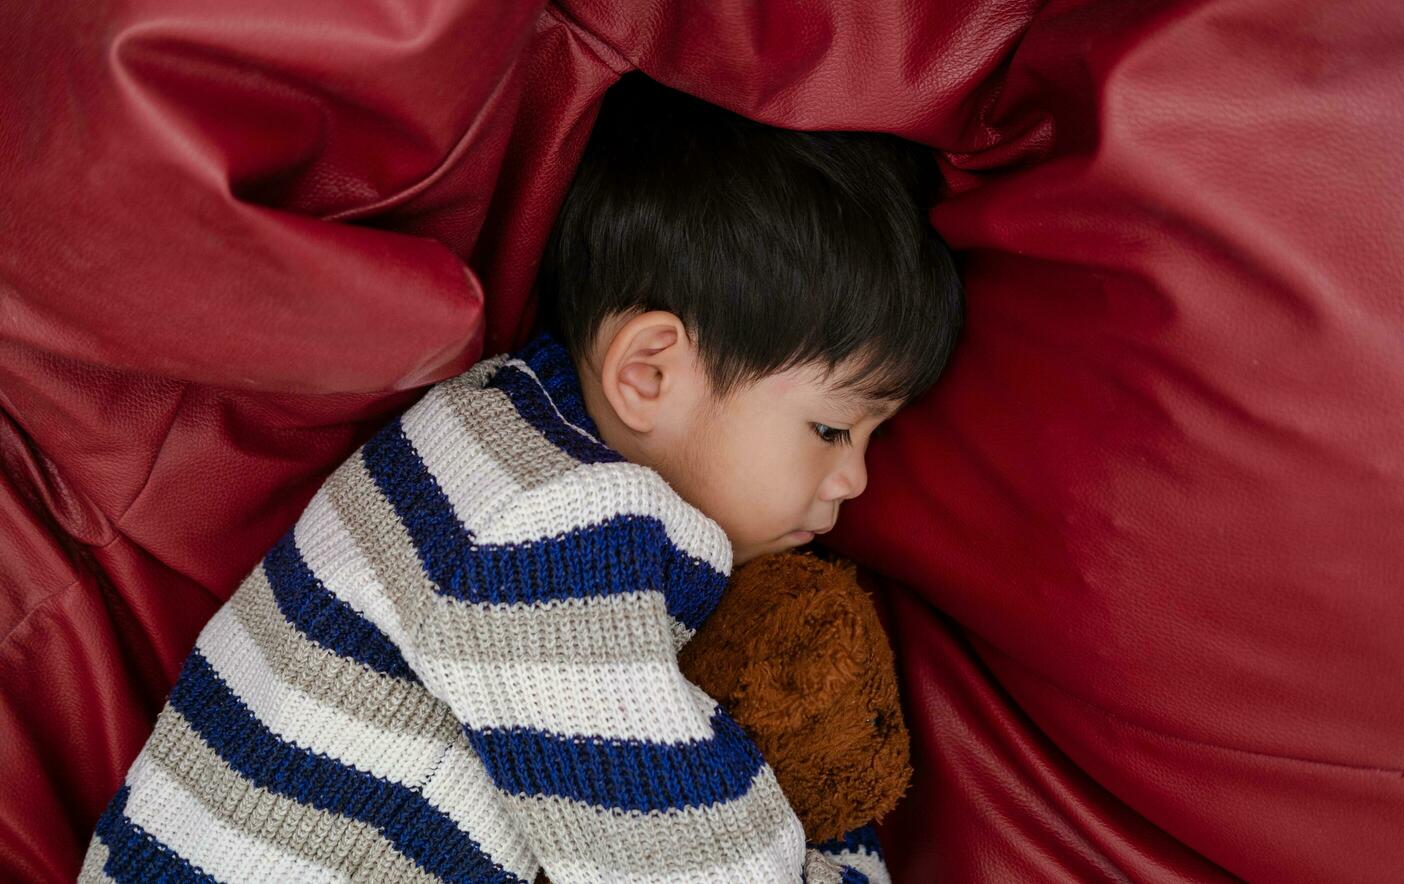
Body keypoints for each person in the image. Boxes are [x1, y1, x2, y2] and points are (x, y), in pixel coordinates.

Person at [78, 73, 965, 883]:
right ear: (650, 373)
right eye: (831, 428)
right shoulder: (540, 510)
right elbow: (668, 848)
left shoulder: (545, 468)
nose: (852, 480)